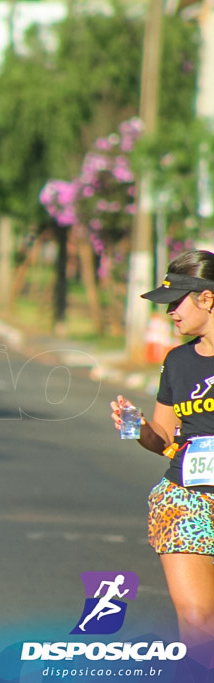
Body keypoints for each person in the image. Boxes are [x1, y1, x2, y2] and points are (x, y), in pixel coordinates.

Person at [112, 249, 214, 664]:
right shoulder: (177, 361)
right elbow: (162, 437)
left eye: (177, 302)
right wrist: (134, 427)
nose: (170, 312)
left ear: (207, 299)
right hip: (186, 498)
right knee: (196, 617)